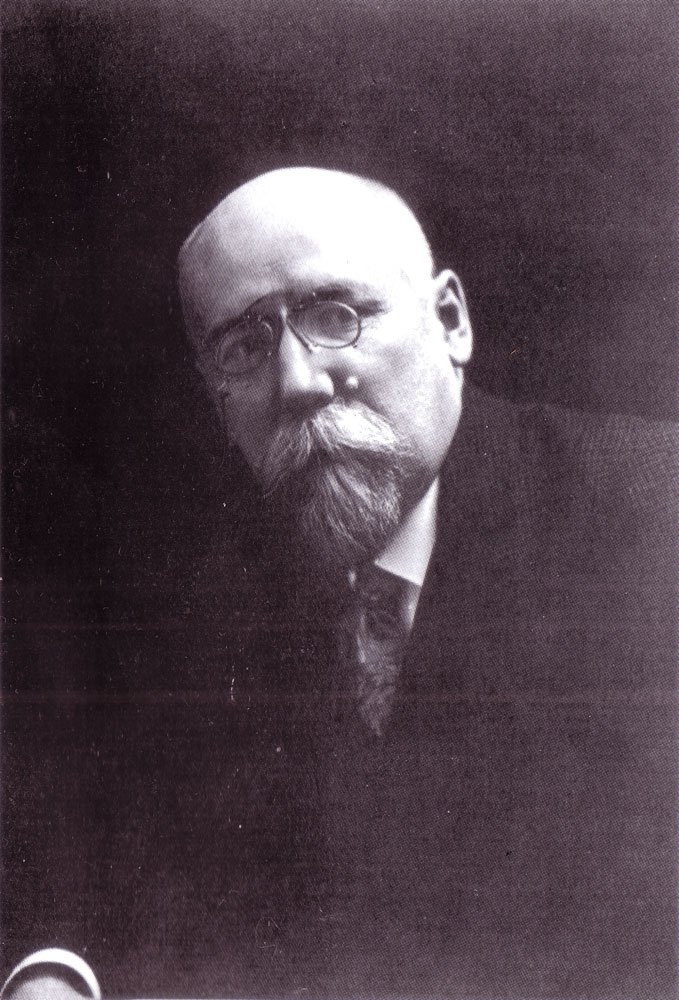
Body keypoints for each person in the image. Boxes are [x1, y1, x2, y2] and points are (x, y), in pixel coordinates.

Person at [4, 167, 677, 998]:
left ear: (450, 321)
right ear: (218, 404)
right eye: (245, 347)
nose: (296, 381)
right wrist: (53, 977)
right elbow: (109, 860)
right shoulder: (201, 601)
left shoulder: (654, 512)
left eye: (335, 315)